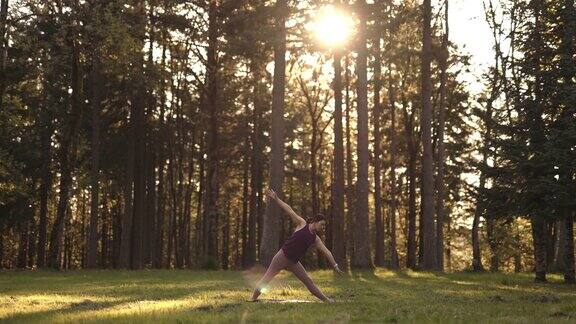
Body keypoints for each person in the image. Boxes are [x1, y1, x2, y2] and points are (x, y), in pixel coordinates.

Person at [250, 188, 344, 303]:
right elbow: (289, 210)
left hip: (293, 262)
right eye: (322, 224)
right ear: (315, 221)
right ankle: (252, 299)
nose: (322, 228)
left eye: (324, 226)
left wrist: (335, 265)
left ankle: (327, 300)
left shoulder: (316, 239)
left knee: (309, 282)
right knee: (267, 278)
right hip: (282, 257)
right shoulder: (302, 223)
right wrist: (276, 199)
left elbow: (327, 252)